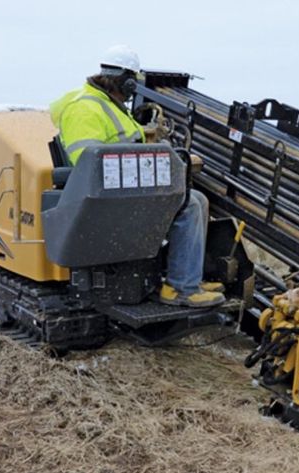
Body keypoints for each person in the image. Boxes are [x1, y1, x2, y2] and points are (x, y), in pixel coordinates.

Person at [49, 45, 225, 308]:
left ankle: (186, 279)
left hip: (118, 189)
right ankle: (181, 288)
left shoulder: (109, 105)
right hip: (103, 195)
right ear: (127, 81)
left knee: (196, 199)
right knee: (189, 204)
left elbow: (124, 145)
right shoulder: (85, 108)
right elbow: (89, 162)